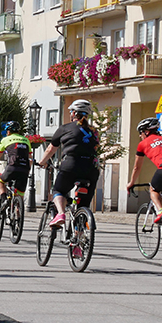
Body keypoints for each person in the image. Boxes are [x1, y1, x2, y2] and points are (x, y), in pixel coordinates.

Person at [38, 99, 99, 231]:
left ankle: (60, 214)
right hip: (91, 168)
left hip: (71, 165)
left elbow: (51, 149)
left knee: (58, 191)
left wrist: (42, 162)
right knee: (84, 205)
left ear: (74, 113)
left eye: (71, 111)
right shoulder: (94, 131)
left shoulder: (64, 128)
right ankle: (79, 236)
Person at [0, 121, 32, 214]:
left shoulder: (5, 140)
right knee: (20, 196)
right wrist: (28, 170)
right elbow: (30, 159)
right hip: (25, 169)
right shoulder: (26, 140)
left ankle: (4, 199)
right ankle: (18, 218)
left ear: (8, 131)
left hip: (12, 167)